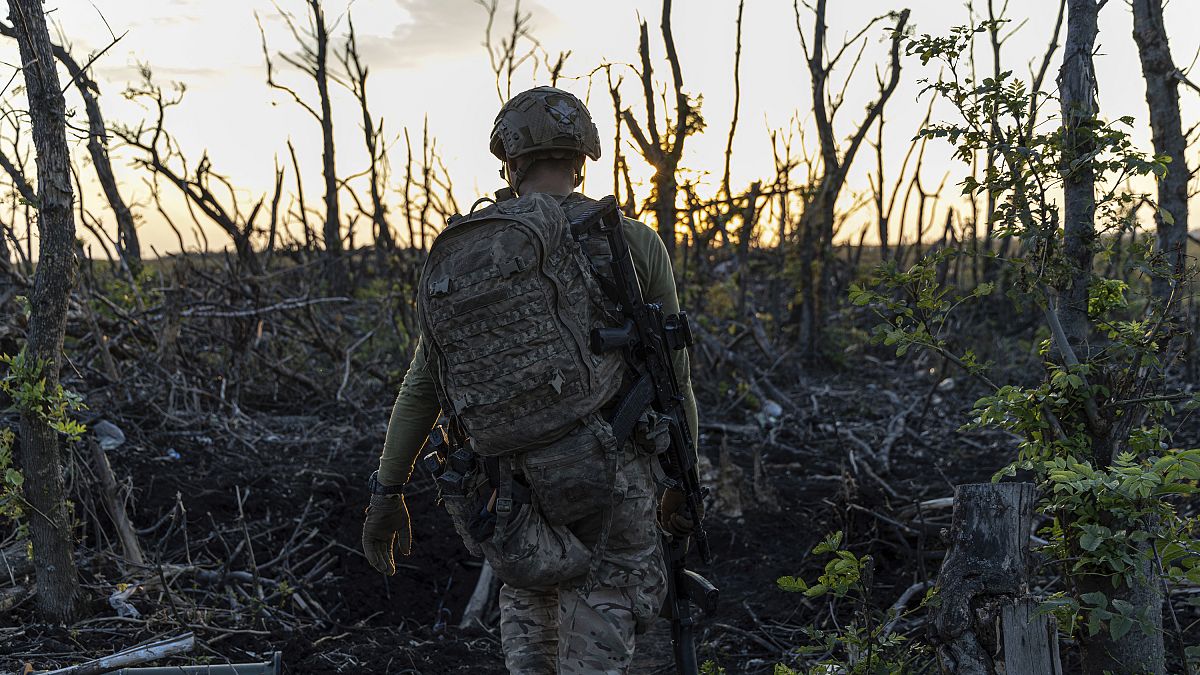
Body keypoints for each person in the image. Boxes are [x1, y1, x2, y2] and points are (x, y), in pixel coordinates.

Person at [360, 85, 699, 674]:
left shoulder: (474, 251)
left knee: (533, 606)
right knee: (607, 602)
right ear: (582, 158)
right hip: (612, 473)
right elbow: (676, 374)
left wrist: (388, 493)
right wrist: (682, 480)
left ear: (509, 163)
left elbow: (424, 384)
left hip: (509, 483)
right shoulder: (633, 242)